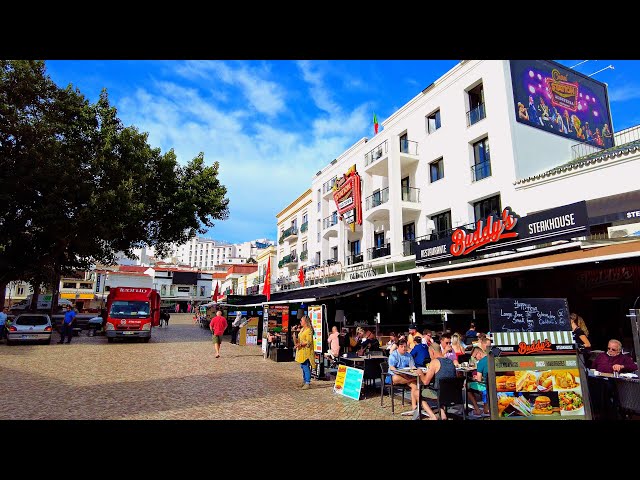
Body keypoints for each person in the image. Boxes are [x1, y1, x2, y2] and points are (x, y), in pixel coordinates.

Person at [418, 342, 457, 420]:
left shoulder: (434, 362)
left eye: (429, 353)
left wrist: (420, 373)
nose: (430, 356)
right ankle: (443, 415)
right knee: (441, 387)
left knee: (417, 393)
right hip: (453, 393)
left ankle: (433, 416)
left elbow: (426, 382)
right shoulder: (450, 361)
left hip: (440, 393)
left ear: (432, 351)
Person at [387, 338, 421, 415]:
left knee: (415, 385)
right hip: (395, 376)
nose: (403, 348)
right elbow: (392, 368)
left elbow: (412, 366)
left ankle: (414, 406)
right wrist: (408, 376)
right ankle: (411, 379)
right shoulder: (393, 355)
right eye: (401, 346)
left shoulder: (409, 355)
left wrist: (414, 371)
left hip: (406, 376)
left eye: (405, 346)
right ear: (398, 347)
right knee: (396, 378)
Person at [467, 346, 490, 418]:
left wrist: (475, 378)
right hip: (494, 383)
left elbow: (479, 381)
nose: (476, 359)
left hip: (486, 385)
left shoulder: (480, 363)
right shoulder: (491, 358)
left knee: (466, 385)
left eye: (475, 357)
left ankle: (477, 410)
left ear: (479, 353)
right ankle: (486, 407)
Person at [295, 315, 315, 390]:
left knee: (306, 366)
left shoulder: (309, 330)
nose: (300, 322)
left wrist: (301, 344)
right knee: (303, 366)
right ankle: (304, 381)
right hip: (301, 351)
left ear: (305, 322)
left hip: (306, 352)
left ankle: (307, 382)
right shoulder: (302, 329)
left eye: (301, 321)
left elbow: (309, 341)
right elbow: (300, 338)